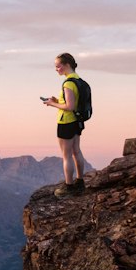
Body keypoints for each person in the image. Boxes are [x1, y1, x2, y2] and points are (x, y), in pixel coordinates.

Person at [43, 52, 85, 196]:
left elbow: (69, 106)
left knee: (66, 155)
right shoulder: (78, 80)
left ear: (66, 65)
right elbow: (73, 102)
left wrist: (52, 104)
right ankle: (80, 181)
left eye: (58, 66)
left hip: (66, 121)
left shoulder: (68, 83)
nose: (56, 69)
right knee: (76, 151)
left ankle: (68, 186)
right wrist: (57, 100)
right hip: (76, 121)